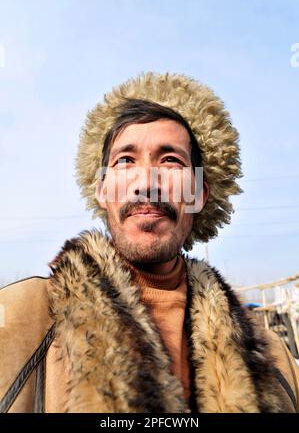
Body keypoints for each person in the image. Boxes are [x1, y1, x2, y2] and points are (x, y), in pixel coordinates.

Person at [0, 72, 298, 413]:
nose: (146, 182)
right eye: (125, 161)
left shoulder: (271, 359)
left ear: (199, 193)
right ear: (100, 190)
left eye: (170, 160)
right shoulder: (21, 322)